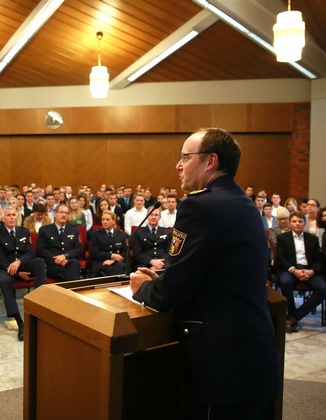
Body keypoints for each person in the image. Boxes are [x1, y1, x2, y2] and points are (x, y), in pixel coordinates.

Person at [130, 128, 280, 417]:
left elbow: (170, 293)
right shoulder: (244, 204)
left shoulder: (199, 206)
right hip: (251, 352)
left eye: (185, 156)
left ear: (211, 161)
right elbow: (216, 270)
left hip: (220, 363)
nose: (178, 165)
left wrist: (142, 288)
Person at [0, 207, 46, 341]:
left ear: (17, 217)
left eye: (13, 215)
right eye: (8, 215)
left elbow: (29, 253)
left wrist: (19, 263)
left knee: (39, 262)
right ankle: (20, 322)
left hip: (21, 264)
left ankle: (40, 306)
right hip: (5, 267)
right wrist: (17, 272)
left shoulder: (24, 231)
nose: (11, 217)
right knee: (3, 281)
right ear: (3, 218)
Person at [276, 211, 326, 333]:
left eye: (300, 221)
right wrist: (294, 270)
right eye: (294, 221)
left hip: (308, 269)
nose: (297, 224)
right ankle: (292, 315)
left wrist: (312, 271)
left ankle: (294, 317)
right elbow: (281, 259)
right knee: (285, 281)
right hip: (290, 269)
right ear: (290, 223)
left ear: (304, 223)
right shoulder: (282, 238)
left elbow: (318, 260)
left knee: (323, 288)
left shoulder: (312, 239)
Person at [36, 204, 82, 281]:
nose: (64, 215)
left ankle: (71, 288)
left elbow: (78, 249)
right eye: (61, 212)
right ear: (55, 214)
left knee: (74, 263)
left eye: (66, 213)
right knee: (72, 273)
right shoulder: (45, 230)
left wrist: (65, 256)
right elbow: (41, 250)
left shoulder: (74, 230)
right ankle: (74, 288)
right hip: (53, 264)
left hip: (69, 262)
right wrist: (56, 259)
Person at [130, 207, 171, 271]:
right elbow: (136, 254)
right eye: (151, 214)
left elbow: (170, 251)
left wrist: (160, 263)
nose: (153, 217)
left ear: (160, 217)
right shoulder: (138, 232)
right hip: (144, 265)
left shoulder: (167, 232)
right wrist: (151, 261)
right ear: (147, 217)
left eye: (156, 215)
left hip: (164, 265)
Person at [90, 210, 128, 277]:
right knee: (109, 269)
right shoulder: (96, 234)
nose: (104, 222)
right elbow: (95, 253)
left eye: (107, 219)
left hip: (117, 262)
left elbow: (125, 252)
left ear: (113, 221)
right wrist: (111, 256)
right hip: (102, 262)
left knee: (121, 266)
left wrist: (113, 260)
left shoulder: (121, 234)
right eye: (103, 219)